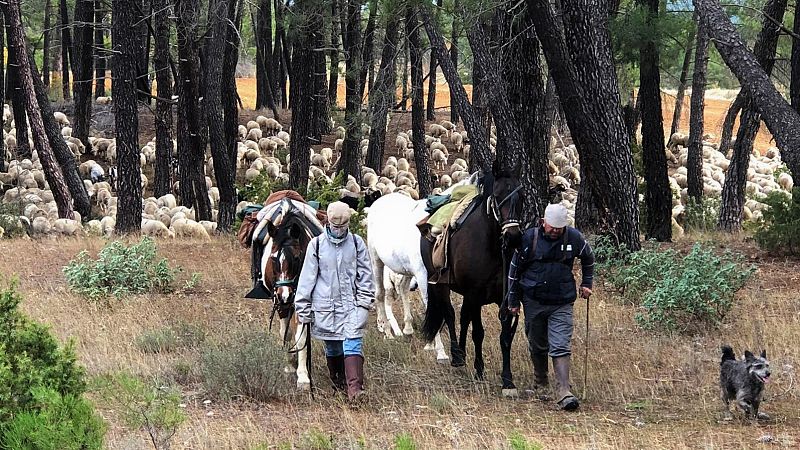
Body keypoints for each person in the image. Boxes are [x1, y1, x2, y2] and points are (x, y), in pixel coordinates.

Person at [506, 203, 595, 411]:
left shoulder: (573, 237)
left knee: (560, 344)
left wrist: (586, 283)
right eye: (552, 226)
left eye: (559, 227)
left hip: (562, 301)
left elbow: (588, 257)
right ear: (543, 222)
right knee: (537, 344)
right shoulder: (528, 238)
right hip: (533, 300)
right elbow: (514, 270)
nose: (555, 230)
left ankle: (564, 391)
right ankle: (540, 381)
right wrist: (512, 301)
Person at [295, 201, 376, 401]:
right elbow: (307, 279)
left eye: (343, 226)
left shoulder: (357, 243)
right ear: (328, 223)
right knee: (333, 348)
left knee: (352, 344)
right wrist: (303, 308)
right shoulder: (317, 245)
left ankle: (355, 391)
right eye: (335, 226)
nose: (339, 230)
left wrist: (364, 303)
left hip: (352, 306)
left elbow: (366, 275)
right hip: (325, 307)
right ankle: (338, 384)